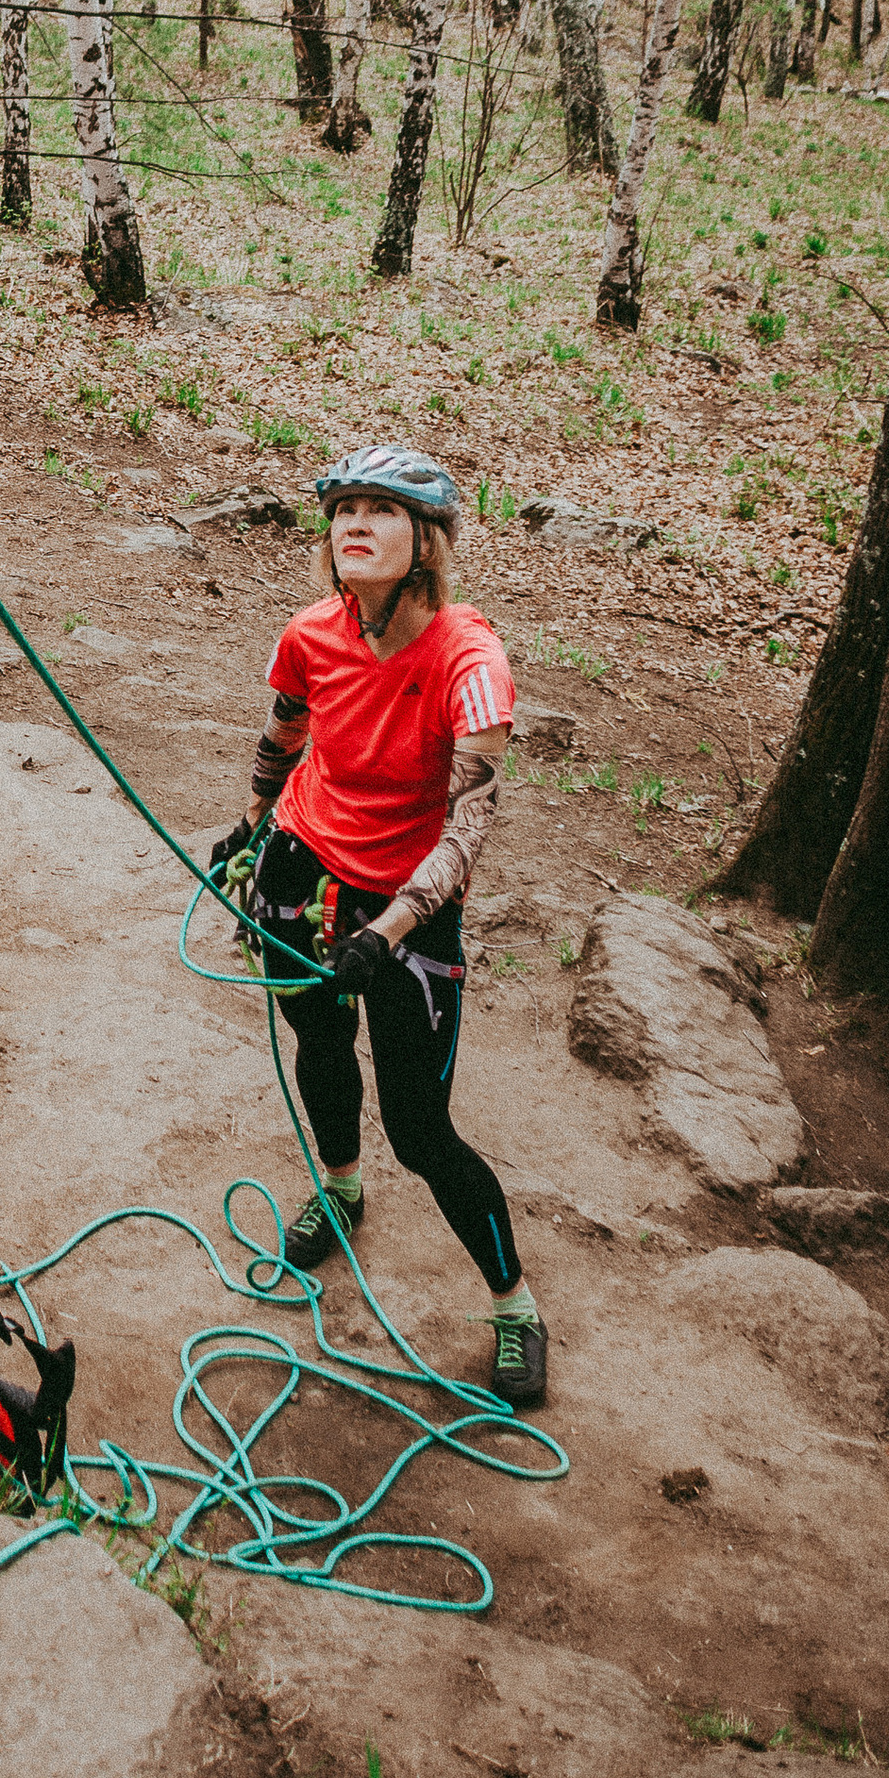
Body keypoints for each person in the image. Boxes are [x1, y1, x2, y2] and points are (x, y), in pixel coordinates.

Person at [211, 441, 545, 1409]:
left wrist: (387, 931)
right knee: (315, 1037)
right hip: (301, 865)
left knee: (421, 1127)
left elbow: (466, 828)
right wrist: (247, 824)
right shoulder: (310, 634)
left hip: (409, 909)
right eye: (343, 507)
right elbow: (282, 733)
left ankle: (515, 1305)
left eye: (381, 509)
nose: (353, 522)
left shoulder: (470, 662)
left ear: (426, 541)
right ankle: (341, 1186)